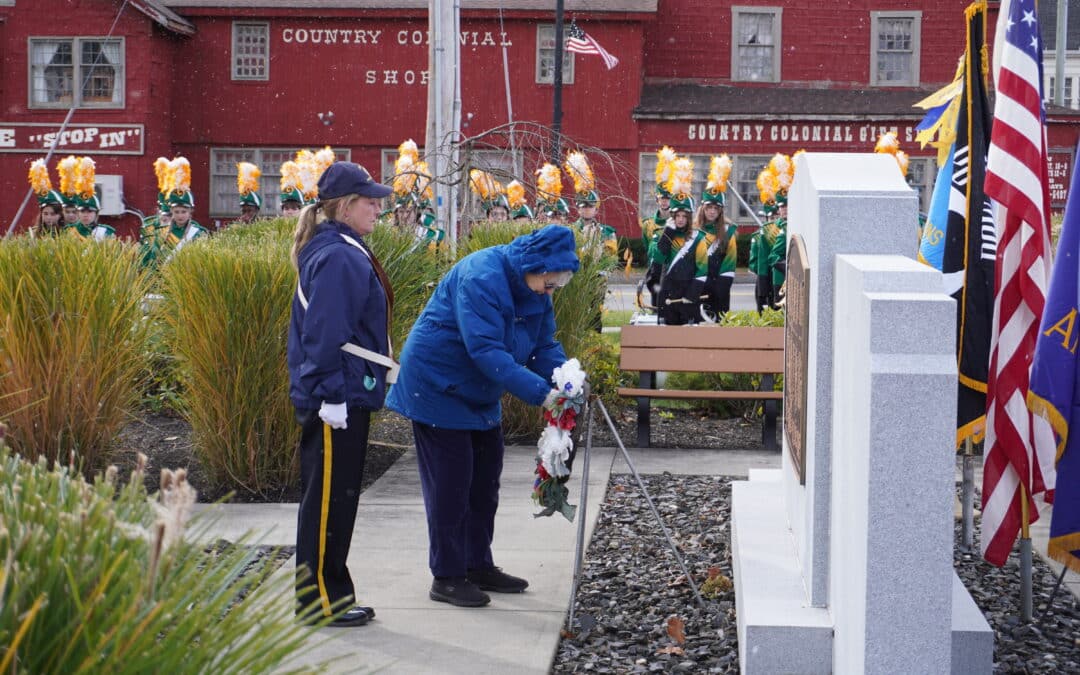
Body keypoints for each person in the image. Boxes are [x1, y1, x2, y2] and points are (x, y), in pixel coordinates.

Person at [385, 224, 581, 608]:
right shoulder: (482, 276)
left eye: (558, 284)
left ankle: (477, 564)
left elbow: (543, 345)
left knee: (485, 482)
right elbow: (486, 350)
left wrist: (567, 379)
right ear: (535, 266)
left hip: (479, 390)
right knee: (451, 486)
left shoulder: (536, 289)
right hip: (438, 385)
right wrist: (543, 395)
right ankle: (447, 576)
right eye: (550, 282)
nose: (551, 291)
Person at [287, 161, 395, 628]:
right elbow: (325, 333)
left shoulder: (341, 248)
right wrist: (331, 394)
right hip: (338, 396)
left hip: (345, 391)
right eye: (370, 201)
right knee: (328, 502)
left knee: (336, 499)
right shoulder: (339, 256)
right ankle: (319, 602)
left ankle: (332, 594)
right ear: (345, 206)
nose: (378, 208)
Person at [653, 155, 696, 325]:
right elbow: (658, 257)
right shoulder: (665, 233)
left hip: (689, 288)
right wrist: (667, 233)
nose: (680, 219)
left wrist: (694, 290)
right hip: (668, 288)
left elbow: (701, 266)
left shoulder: (696, 236)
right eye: (677, 215)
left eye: (684, 216)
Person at [694, 155, 738, 320]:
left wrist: (718, 291)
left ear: (720, 211)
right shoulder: (692, 231)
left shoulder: (728, 232)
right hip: (696, 287)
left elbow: (728, 266)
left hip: (719, 290)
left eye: (716, 208)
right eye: (709, 207)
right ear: (703, 208)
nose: (712, 211)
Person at [639, 146, 677, 309]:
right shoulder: (648, 224)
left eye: (668, 198)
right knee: (657, 307)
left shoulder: (679, 224)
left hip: (674, 271)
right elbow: (648, 247)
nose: (665, 201)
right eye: (662, 198)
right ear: (657, 200)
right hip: (655, 272)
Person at [564, 150, 617, 256]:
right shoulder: (570, 231)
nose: (587, 209)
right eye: (583, 206)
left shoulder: (607, 232)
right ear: (578, 209)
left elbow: (611, 257)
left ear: (596, 210)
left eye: (590, 206)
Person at [27, 158, 65, 237]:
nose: (48, 217)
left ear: (60, 215)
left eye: (52, 214)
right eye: (45, 214)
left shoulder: (67, 233)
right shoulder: (33, 234)